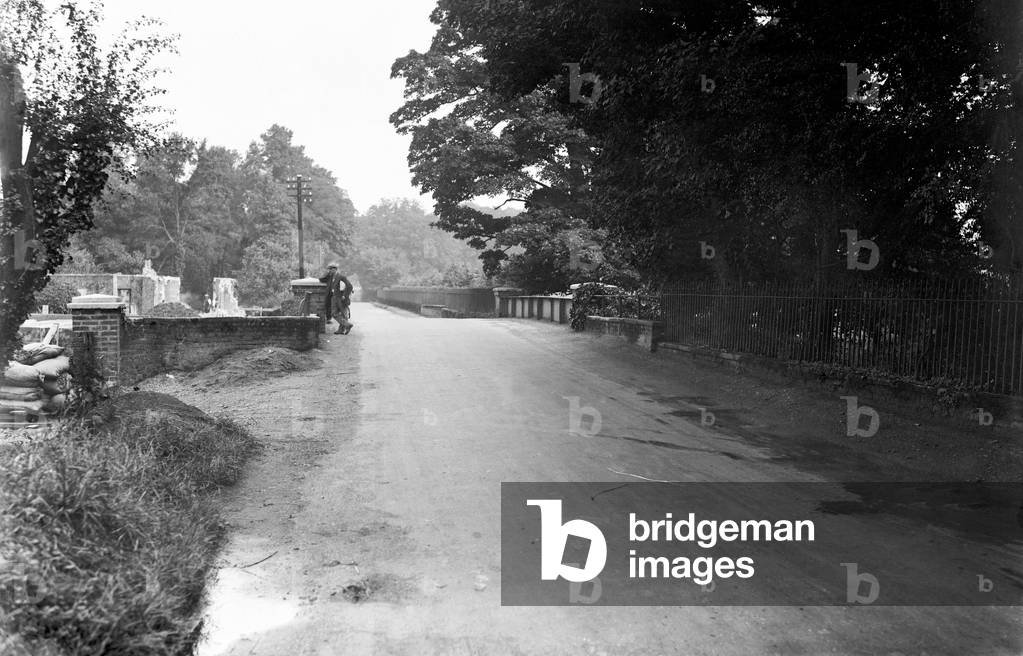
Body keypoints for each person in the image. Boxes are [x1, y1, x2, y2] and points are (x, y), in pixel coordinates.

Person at [319, 262, 354, 334]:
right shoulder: (330, 277)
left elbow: (349, 286)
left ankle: (341, 329)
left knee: (343, 314)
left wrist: (344, 295)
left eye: (330, 269)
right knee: (334, 313)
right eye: (329, 269)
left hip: (341, 298)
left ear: (335, 269)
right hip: (333, 297)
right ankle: (347, 325)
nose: (329, 271)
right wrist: (327, 273)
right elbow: (321, 279)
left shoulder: (341, 277)